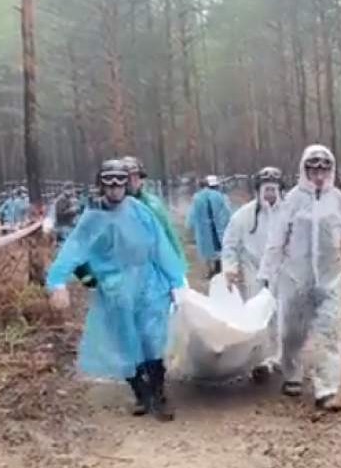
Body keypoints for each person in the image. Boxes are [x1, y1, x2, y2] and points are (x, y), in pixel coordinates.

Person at [46, 159, 186, 420]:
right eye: (108, 184)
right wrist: (57, 282)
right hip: (116, 289)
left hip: (149, 284)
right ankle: (141, 393)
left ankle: (159, 393)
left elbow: (160, 246)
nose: (114, 190)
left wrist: (177, 281)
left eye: (120, 183)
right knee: (126, 342)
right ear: (101, 185)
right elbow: (73, 250)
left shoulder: (140, 211)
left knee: (153, 339)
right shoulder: (91, 218)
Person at [258, 145, 341, 413]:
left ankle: (327, 389)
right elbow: (276, 240)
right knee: (291, 333)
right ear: (305, 170)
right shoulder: (293, 200)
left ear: (330, 171)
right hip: (295, 277)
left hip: (330, 278)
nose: (319, 174)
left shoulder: (338, 200)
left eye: (324, 169)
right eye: (313, 169)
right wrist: (266, 272)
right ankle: (292, 375)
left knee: (330, 333)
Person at [222, 166, 286, 382]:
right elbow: (230, 244)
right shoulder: (243, 216)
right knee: (257, 315)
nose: (270, 194)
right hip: (254, 271)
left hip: (281, 272)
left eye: (273, 189)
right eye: (266, 189)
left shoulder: (288, 213)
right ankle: (259, 360)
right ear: (258, 190)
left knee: (281, 315)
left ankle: (280, 356)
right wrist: (230, 269)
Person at [122, 156, 186, 265]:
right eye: (129, 177)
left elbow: (168, 233)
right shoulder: (115, 207)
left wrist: (178, 261)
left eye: (136, 176)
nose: (133, 181)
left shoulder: (153, 203)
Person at [187, 175, 232, 278]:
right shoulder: (220, 196)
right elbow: (226, 212)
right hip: (217, 227)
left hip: (203, 229)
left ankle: (210, 271)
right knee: (219, 248)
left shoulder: (197, 197)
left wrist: (190, 226)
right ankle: (218, 268)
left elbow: (192, 214)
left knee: (206, 250)